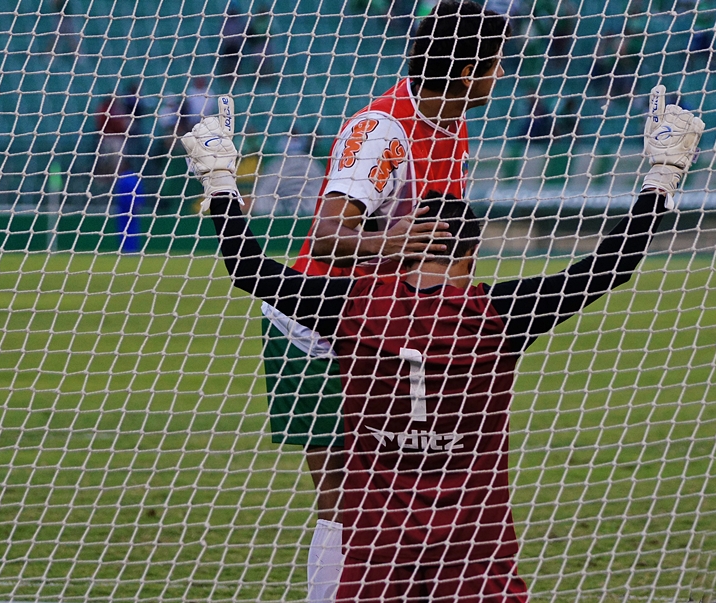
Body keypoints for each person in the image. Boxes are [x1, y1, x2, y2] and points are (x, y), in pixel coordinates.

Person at [182, 86, 705, 600]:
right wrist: (661, 176)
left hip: (378, 562)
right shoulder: (497, 316)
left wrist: (221, 181)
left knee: (338, 511)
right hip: (475, 558)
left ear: (409, 241)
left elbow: (249, 269)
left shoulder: (351, 308)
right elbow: (609, 267)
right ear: (471, 251)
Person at [257, 2, 511, 600]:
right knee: (346, 503)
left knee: (397, 502)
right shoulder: (383, 132)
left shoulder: (453, 122)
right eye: (497, 63)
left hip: (387, 327)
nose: (503, 74)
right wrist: (391, 241)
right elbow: (324, 233)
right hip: (317, 328)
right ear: (469, 70)